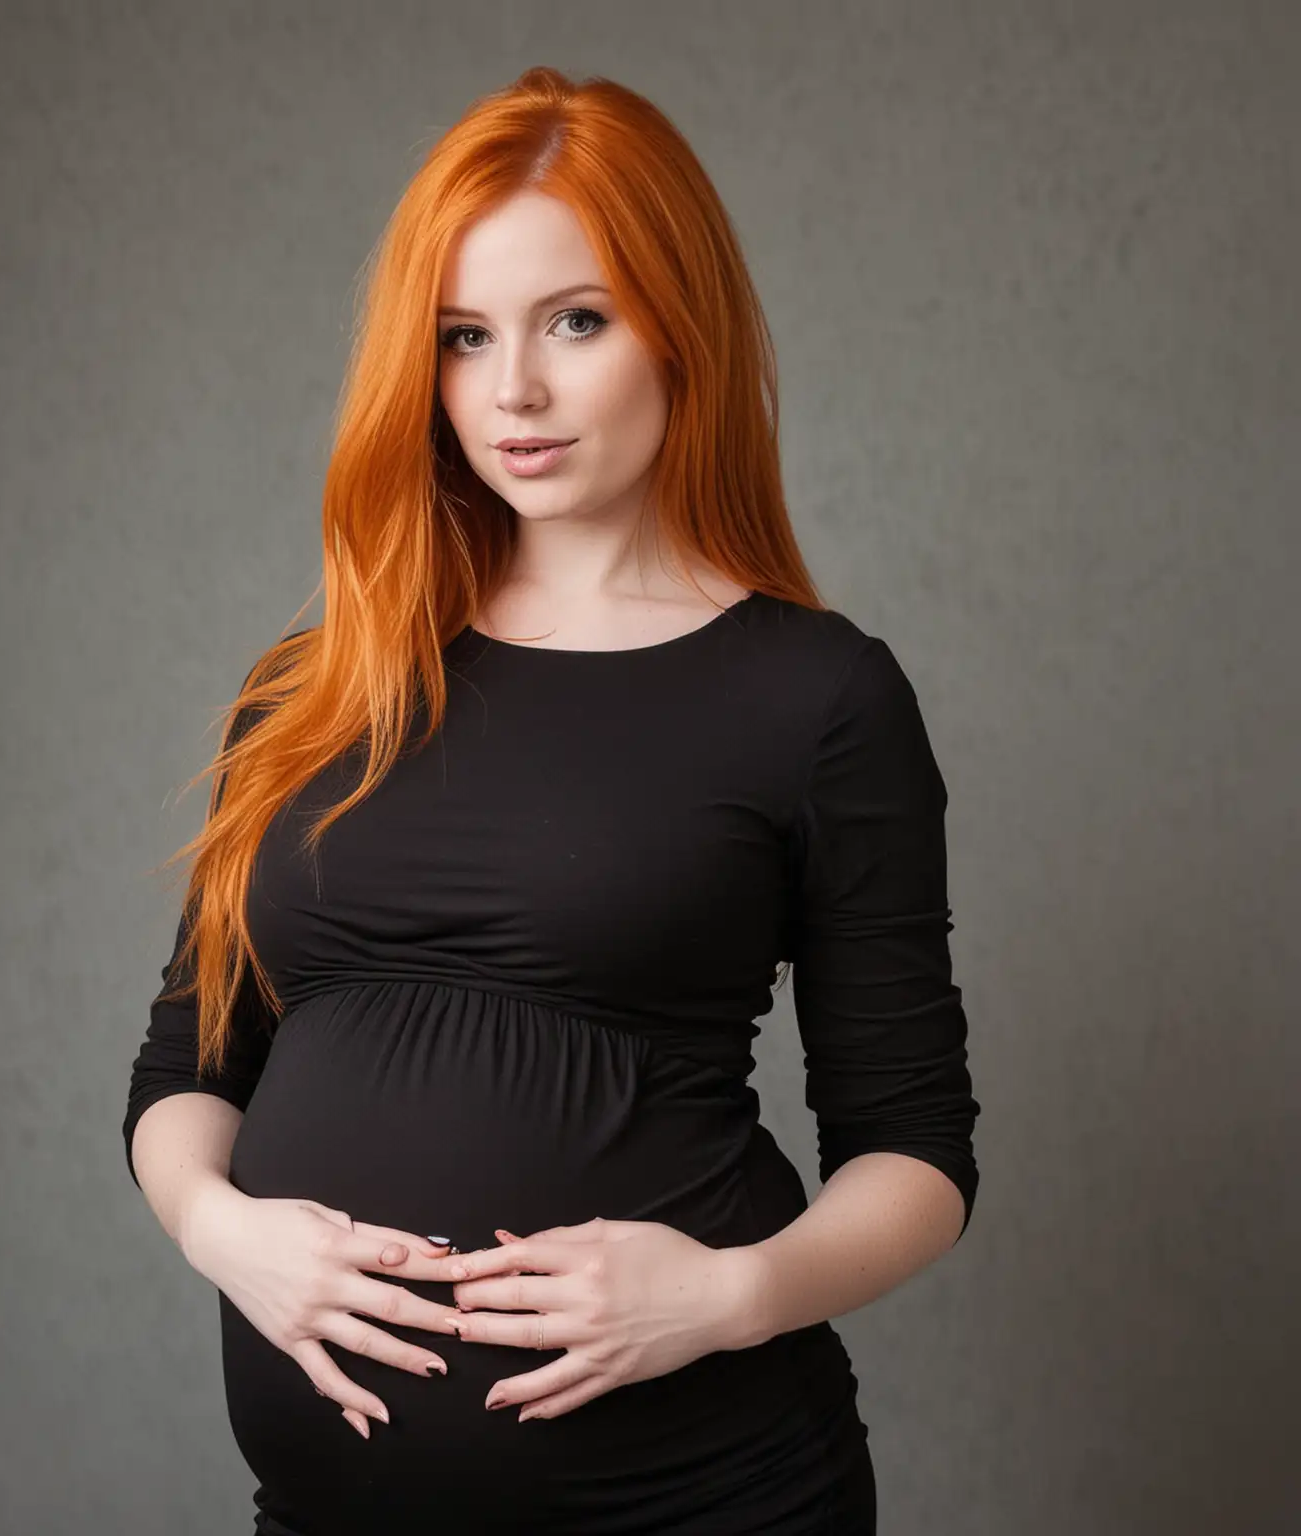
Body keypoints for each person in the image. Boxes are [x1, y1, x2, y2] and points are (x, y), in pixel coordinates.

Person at [123, 65, 979, 1535]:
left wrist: (726, 1293)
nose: (511, 389)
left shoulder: (818, 698)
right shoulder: (318, 684)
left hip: (699, 1496)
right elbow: (188, 1066)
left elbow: (916, 1152)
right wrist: (226, 1235)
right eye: (465, 337)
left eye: (573, 321)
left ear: (678, 327)